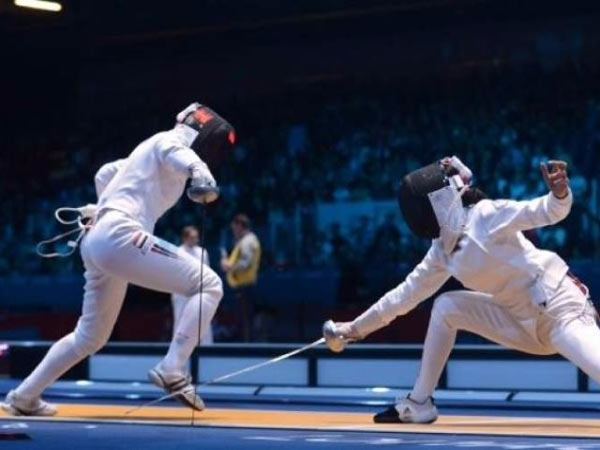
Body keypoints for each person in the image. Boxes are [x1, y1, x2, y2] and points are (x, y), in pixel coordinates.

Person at [2, 102, 235, 416]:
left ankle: (24, 397)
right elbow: (179, 153)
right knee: (209, 284)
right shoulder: (169, 142)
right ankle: (173, 368)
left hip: (100, 239)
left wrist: (102, 208)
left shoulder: (147, 152)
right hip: (121, 235)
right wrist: (200, 172)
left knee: (90, 336)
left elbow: (105, 173)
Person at [325, 156, 598, 424]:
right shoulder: (441, 253)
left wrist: (559, 194)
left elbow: (548, 210)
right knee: (446, 307)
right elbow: (401, 298)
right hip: (522, 324)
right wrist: (354, 329)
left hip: (563, 311)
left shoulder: (487, 214)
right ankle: (419, 403)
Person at [220, 214, 261, 342]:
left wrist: (228, 266)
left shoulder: (247, 241)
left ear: (240, 226)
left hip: (244, 288)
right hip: (243, 287)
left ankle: (247, 351)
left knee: (245, 323)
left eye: (235, 228)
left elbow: (245, 263)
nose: (234, 231)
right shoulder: (246, 241)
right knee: (244, 321)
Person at [171, 225, 213, 344]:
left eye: (197, 237)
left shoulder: (202, 252)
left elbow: (207, 271)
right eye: (193, 237)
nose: (196, 239)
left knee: (203, 319)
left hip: (199, 291)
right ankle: (177, 350)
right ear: (185, 238)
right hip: (181, 291)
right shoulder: (178, 252)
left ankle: (208, 347)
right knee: (180, 321)